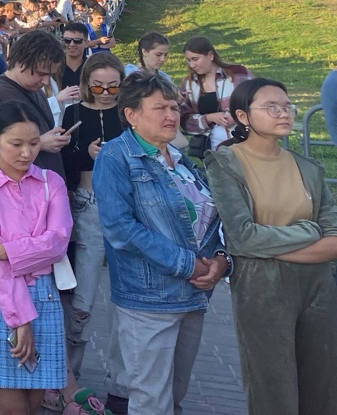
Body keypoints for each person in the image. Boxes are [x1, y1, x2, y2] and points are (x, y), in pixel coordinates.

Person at [92, 72, 228, 415]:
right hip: (149, 300)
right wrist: (187, 264)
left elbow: (209, 219)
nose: (171, 115)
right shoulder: (115, 156)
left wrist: (220, 259)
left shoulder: (179, 159)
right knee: (151, 401)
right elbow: (119, 228)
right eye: (160, 108)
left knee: (173, 396)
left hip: (193, 295)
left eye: (174, 107)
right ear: (132, 114)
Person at [204, 78, 337, 415]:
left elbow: (334, 239)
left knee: (323, 389)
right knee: (272, 390)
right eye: (272, 107)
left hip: (318, 288)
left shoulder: (308, 168)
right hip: (261, 289)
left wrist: (268, 247)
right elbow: (242, 236)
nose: (284, 113)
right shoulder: (225, 163)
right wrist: (309, 231)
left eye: (287, 106)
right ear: (243, 116)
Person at [0, 101, 72, 415]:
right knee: (13, 408)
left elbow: (57, 244)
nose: (26, 153)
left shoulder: (51, 182)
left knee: (33, 404)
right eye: (16, 144)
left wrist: (5, 250)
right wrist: (21, 320)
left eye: (34, 143)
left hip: (43, 296)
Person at [57, 52, 126, 380]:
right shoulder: (74, 112)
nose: (106, 93)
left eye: (113, 86)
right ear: (86, 83)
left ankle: (122, 382)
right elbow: (62, 160)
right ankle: (69, 377)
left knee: (127, 300)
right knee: (82, 298)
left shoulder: (129, 113)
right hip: (88, 203)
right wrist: (85, 153)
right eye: (98, 86)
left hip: (125, 204)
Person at [0, 30, 69, 180]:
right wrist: (39, 144)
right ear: (20, 62)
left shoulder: (37, 92)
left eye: (50, 75)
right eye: (41, 73)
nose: (46, 81)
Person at [177, 36, 252, 159]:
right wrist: (209, 118)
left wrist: (237, 116)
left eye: (195, 59)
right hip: (211, 150)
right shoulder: (189, 83)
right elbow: (185, 121)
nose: (192, 65)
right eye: (188, 60)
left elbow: (257, 103)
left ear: (210, 56)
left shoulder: (238, 73)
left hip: (245, 142)